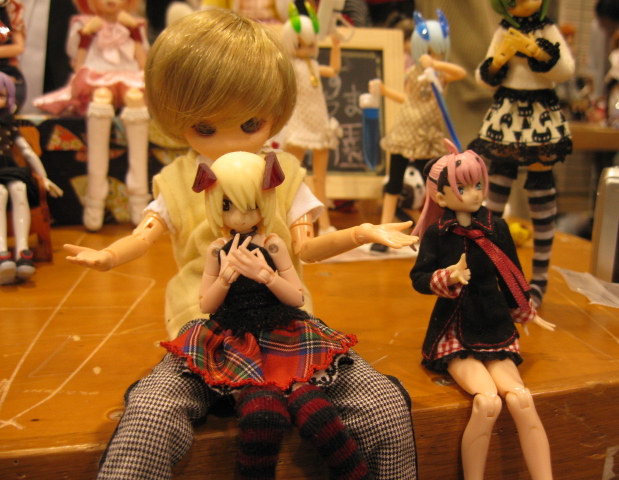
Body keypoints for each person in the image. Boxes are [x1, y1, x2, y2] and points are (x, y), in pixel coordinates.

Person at [64, 8, 418, 479]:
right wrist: (109, 255)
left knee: (383, 407)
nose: (230, 140)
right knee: (151, 415)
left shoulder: (284, 175)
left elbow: (307, 248)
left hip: (286, 330)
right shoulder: (177, 183)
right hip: (205, 331)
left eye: (250, 123)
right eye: (206, 127)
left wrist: (362, 232)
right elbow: (144, 234)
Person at [162, 151, 368, 479]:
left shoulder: (273, 245)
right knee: (261, 412)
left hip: (282, 332)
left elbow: (297, 297)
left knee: (316, 410)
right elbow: (206, 305)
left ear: (266, 202)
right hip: (235, 337)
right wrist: (225, 279)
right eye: (227, 206)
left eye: (252, 205)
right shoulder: (217, 250)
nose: (240, 217)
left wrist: (268, 277)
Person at [410, 139, 556, 480]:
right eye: (463, 188)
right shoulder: (437, 234)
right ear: (440, 197)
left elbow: (512, 274)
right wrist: (448, 276)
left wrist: (526, 309)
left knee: (520, 398)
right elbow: (418, 278)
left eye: (478, 185)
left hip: (494, 324)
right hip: (455, 329)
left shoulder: (497, 228)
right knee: (487, 401)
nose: (474, 194)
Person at [467, 0, 575, 307]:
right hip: (508, 114)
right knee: (495, 193)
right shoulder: (504, 31)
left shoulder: (546, 29)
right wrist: (500, 59)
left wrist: (537, 52)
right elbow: (484, 77)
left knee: (541, 195)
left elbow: (565, 70)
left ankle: (539, 278)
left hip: (540, 112)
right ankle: (484, 271)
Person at [33, 0, 150, 232]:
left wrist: (135, 31)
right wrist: (87, 34)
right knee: (101, 99)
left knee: (136, 99)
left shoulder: (134, 24)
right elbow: (78, 61)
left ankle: (139, 196)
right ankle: (95, 198)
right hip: (98, 76)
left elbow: (142, 61)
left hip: (128, 77)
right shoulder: (83, 23)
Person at [369, 10, 466, 253]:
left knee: (433, 186)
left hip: (428, 137)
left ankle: (435, 232)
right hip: (405, 132)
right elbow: (407, 98)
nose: (431, 55)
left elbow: (461, 73)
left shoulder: (441, 74)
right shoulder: (413, 72)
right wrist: (385, 91)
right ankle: (383, 232)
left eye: (436, 50)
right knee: (393, 183)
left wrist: (436, 64)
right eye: (428, 50)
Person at [281, 2, 342, 235]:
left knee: (320, 178)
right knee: (291, 175)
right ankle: (289, 220)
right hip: (298, 123)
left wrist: (336, 46)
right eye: (300, 44)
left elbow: (333, 70)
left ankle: (324, 224)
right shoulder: (291, 67)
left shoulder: (314, 65)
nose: (306, 49)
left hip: (319, 123)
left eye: (310, 44)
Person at [0, 72, 63, 285]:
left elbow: (27, 152)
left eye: (1, 95)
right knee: (0, 193)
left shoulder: (9, 125)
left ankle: (22, 251)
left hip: (9, 167)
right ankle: (2, 252)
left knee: (19, 189)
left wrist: (44, 178)